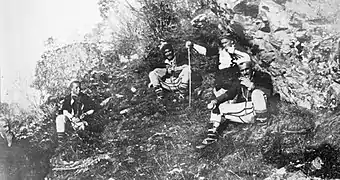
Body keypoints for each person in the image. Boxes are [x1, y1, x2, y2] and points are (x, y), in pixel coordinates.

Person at [197, 58, 273, 148]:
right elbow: (230, 93)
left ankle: (263, 127)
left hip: (259, 110)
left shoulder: (262, 77)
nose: (245, 72)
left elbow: (269, 93)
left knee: (257, 93)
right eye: (242, 70)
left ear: (252, 68)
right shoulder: (240, 80)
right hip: (246, 113)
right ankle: (211, 136)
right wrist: (215, 101)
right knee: (218, 106)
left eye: (247, 69)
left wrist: (252, 86)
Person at [54, 80, 96, 164]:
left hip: (81, 121)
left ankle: (83, 153)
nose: (79, 89)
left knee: (82, 128)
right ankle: (61, 144)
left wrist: (85, 114)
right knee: (60, 118)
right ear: (71, 89)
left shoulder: (85, 97)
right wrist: (72, 118)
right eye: (76, 88)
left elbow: (93, 108)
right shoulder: (68, 98)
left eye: (79, 87)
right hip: (71, 121)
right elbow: (65, 111)